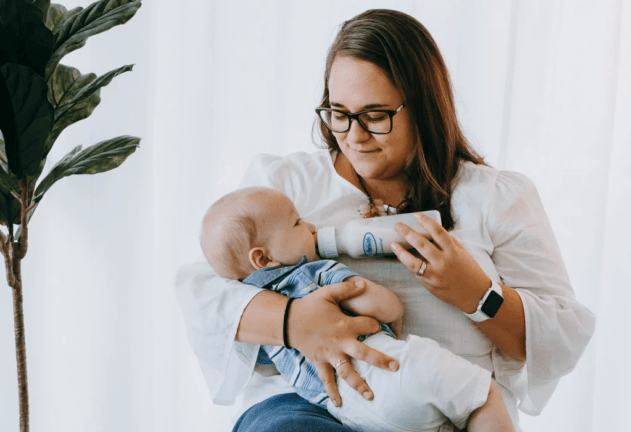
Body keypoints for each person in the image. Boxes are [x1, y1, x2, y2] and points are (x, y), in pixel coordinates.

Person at [175, 8, 595, 432]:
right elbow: (203, 291)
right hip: (309, 405)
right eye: (339, 112)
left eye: (375, 116)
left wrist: (477, 294)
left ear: (425, 108)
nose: (354, 136)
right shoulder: (281, 186)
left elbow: (562, 340)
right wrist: (295, 322)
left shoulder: (496, 197)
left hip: (447, 409)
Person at [199, 186, 515, 432]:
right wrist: (394, 312)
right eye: (297, 222)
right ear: (264, 259)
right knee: (482, 395)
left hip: (349, 410)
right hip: (395, 372)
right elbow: (385, 306)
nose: (310, 226)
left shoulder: (254, 318)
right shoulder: (315, 274)